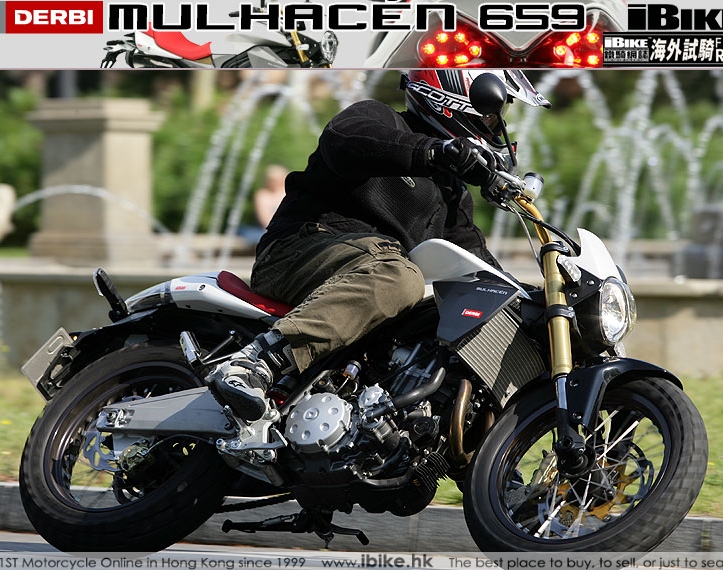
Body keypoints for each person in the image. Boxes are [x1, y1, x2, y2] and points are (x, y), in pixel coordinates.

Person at [209, 70, 551, 422]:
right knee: (400, 278)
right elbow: (344, 142)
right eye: (493, 116)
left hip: (363, 274)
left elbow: (479, 264)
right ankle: (255, 362)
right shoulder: (379, 118)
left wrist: (536, 304)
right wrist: (436, 151)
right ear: (454, 101)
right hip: (298, 251)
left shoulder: (452, 194)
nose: (497, 126)